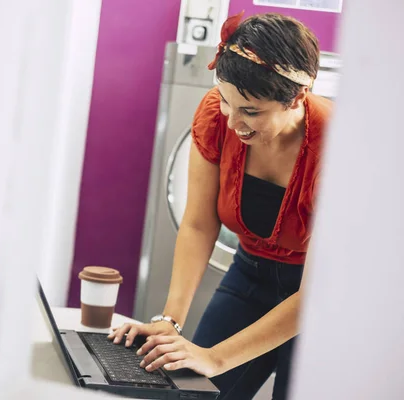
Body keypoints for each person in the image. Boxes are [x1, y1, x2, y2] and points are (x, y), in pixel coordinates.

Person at [108, 12, 331, 400]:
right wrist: (170, 321)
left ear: (297, 97)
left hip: (320, 296)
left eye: (251, 111)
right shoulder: (216, 115)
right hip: (249, 274)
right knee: (194, 393)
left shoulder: (336, 147)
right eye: (228, 102)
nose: (233, 123)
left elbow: (317, 291)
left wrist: (215, 358)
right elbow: (197, 224)